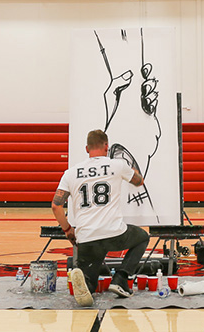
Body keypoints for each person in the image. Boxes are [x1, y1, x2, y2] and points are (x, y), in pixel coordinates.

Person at [52, 128, 149, 307]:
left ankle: (86, 282)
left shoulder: (71, 173)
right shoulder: (117, 165)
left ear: (86, 149)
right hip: (114, 233)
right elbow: (138, 181)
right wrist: (132, 167)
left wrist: (68, 230)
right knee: (142, 237)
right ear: (107, 146)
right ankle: (120, 278)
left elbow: (56, 205)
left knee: (90, 279)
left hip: (87, 237)